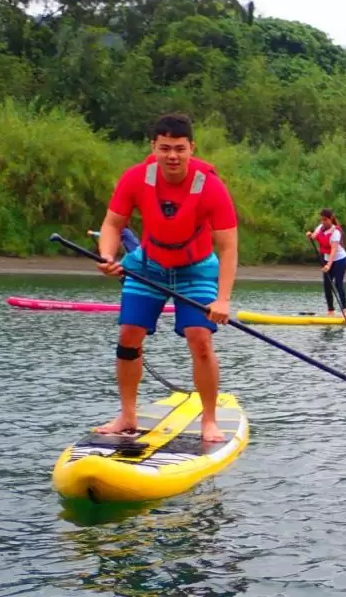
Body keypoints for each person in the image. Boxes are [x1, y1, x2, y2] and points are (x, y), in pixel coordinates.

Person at [95, 113, 239, 443]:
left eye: (179, 148)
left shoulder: (211, 186)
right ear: (153, 148)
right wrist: (107, 255)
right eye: (164, 148)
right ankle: (127, 416)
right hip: (148, 265)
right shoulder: (135, 178)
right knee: (129, 336)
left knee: (200, 338)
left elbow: (228, 247)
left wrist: (223, 299)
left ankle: (210, 420)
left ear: (191, 148)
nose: (172, 156)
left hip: (196, 268)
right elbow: (113, 224)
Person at [305, 208, 346, 321]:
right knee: (327, 285)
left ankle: (344, 310)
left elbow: (334, 251)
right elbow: (314, 236)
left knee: (338, 284)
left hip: (339, 260)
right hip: (326, 259)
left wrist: (328, 266)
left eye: (325, 220)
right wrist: (310, 235)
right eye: (322, 220)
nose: (323, 222)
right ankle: (330, 311)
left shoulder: (336, 232)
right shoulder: (321, 227)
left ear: (330, 219)